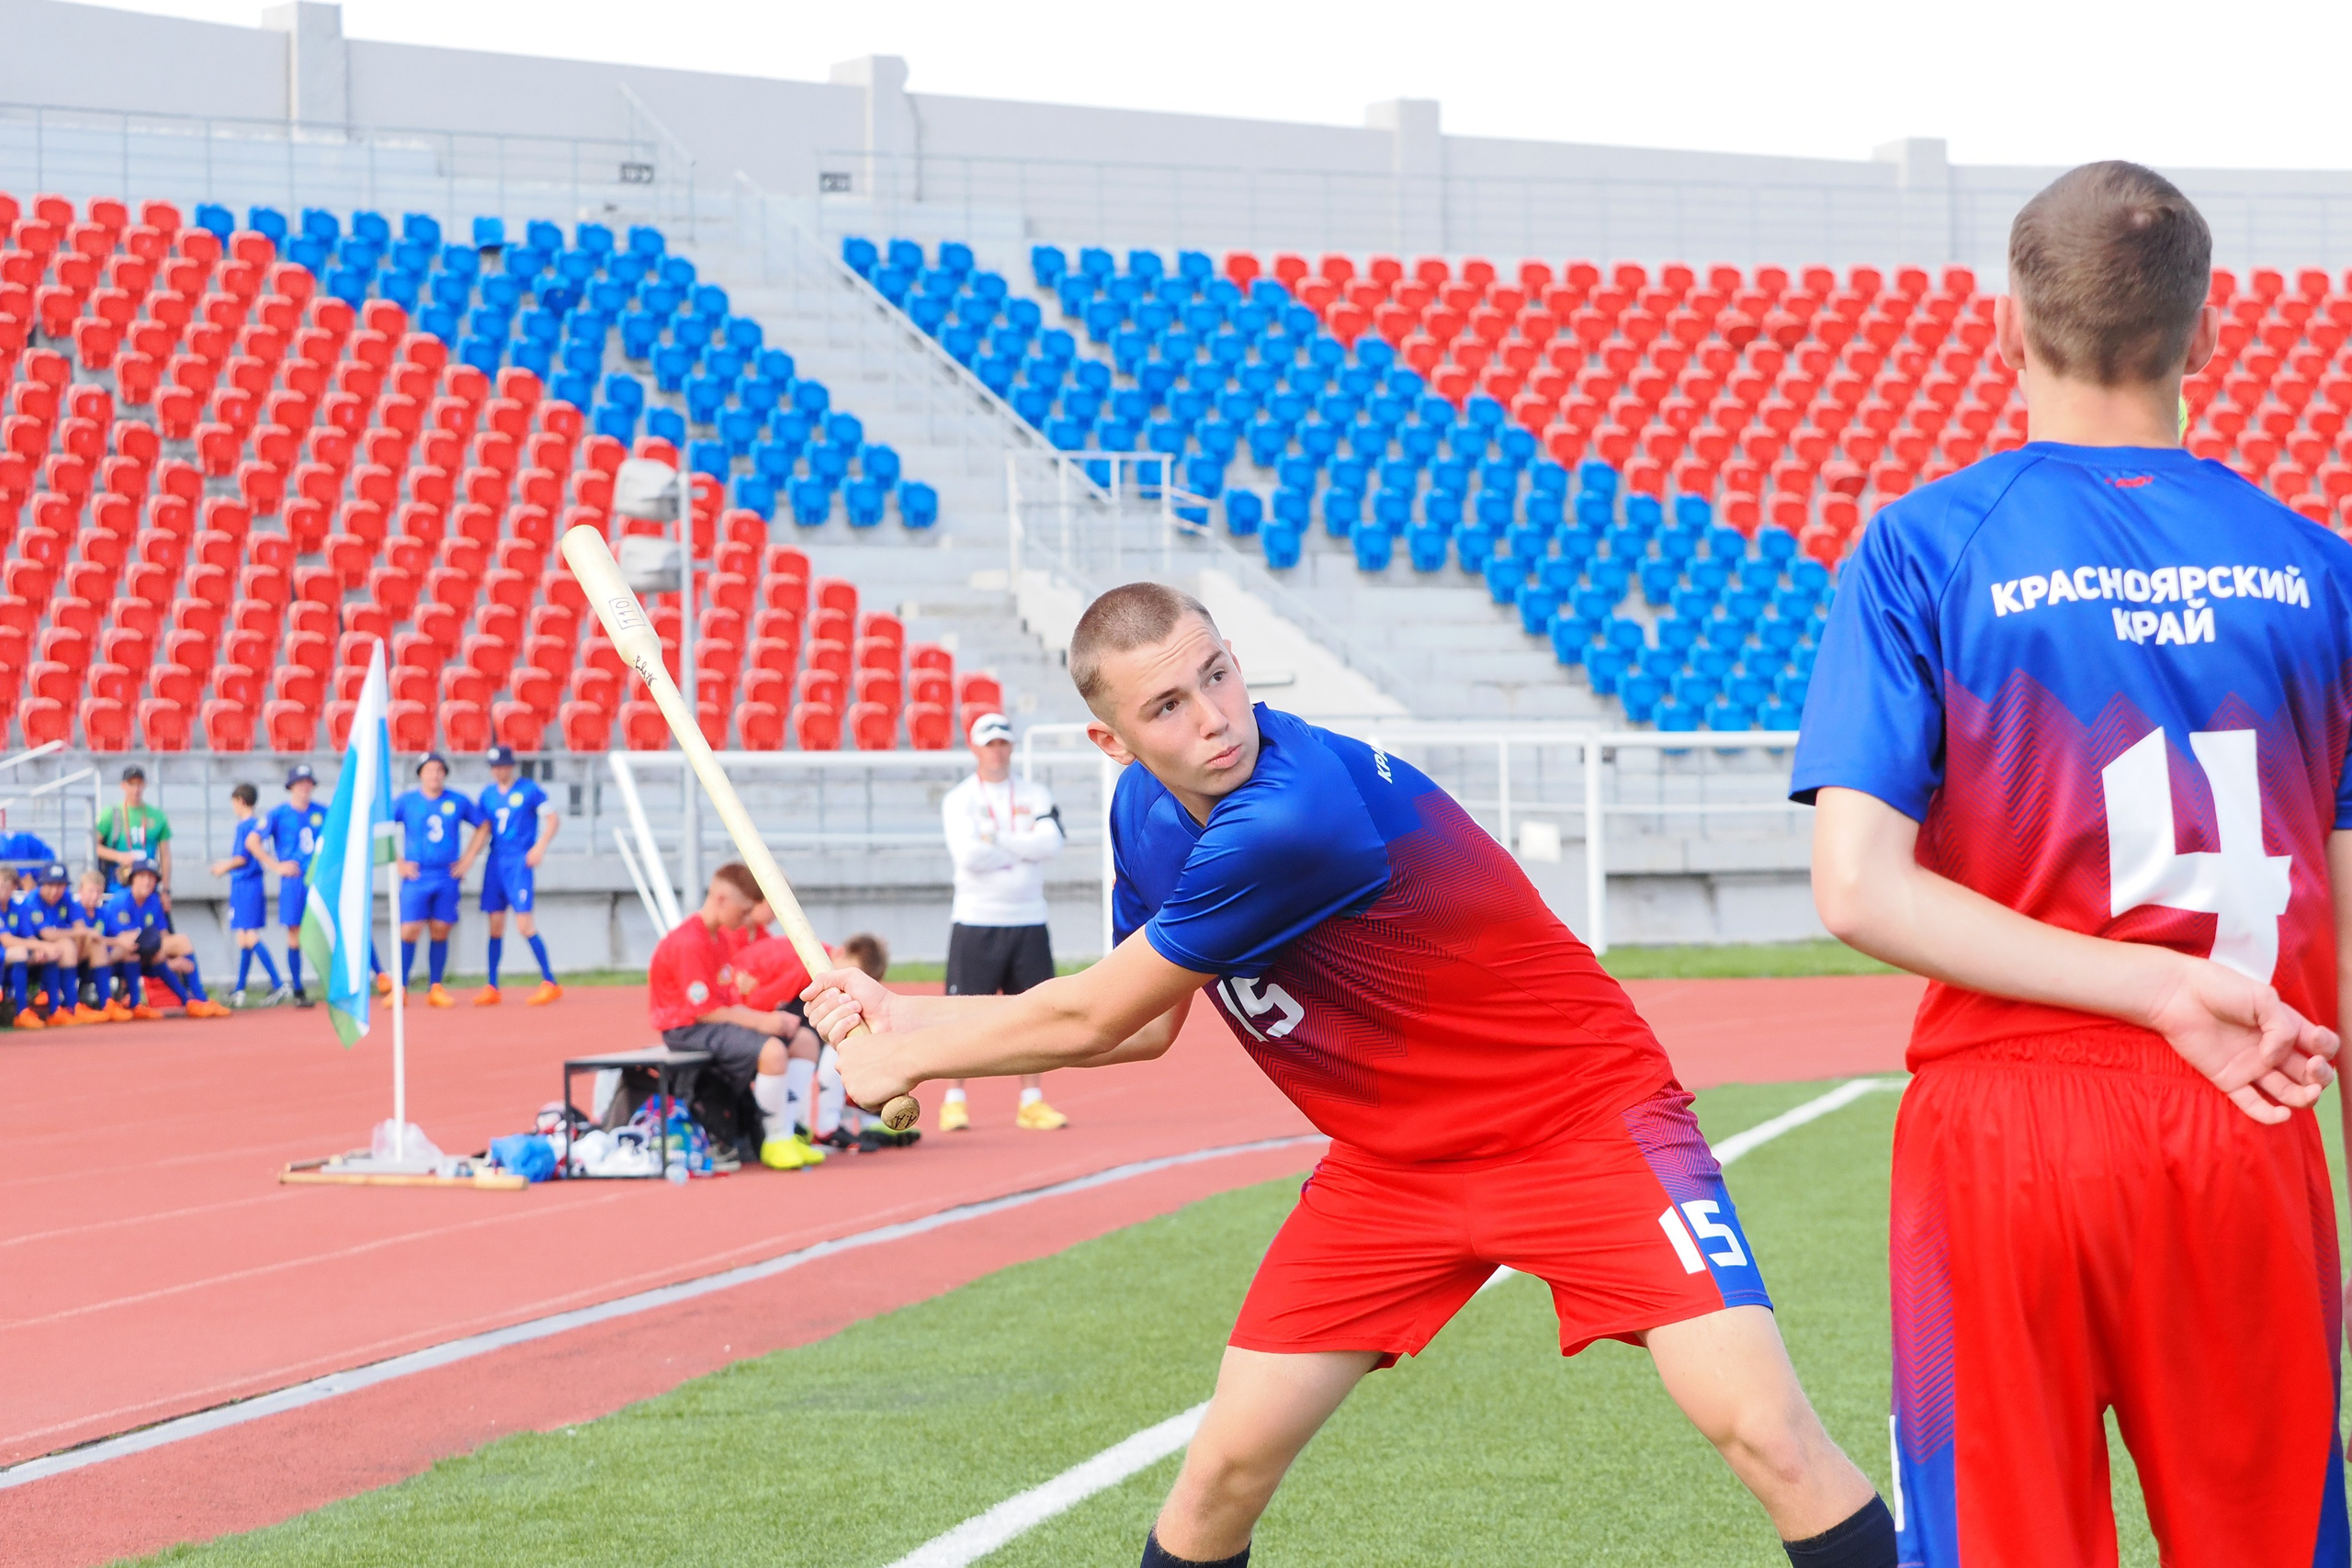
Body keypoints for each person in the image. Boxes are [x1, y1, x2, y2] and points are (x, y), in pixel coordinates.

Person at [803, 583, 1895, 1568]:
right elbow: (1140, 1031)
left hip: (1579, 1126)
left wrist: (902, 1041)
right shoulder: (1142, 814)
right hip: (1391, 1170)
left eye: (1216, 675)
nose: (1215, 717)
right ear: (1112, 740)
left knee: (1765, 1432)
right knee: (1221, 1475)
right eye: (1168, 708)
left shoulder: (1294, 811)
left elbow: (1091, 1019)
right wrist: (899, 1016)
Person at [1795, 162, 2347, 1568]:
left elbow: (1858, 883)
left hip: (2008, 1124)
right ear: (2208, 333)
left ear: (2007, 329)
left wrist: (2138, 988)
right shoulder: (2317, 566)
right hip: (2255, 1109)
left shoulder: (1926, 547)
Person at [641, 863, 825, 1171]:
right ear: (722, 900)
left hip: (714, 1020)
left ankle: (792, 1130)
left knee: (804, 1041)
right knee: (772, 1051)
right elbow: (705, 1011)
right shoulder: (689, 942)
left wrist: (769, 1018)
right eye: (742, 912)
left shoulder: (721, 939)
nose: (745, 921)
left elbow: (728, 1000)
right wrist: (762, 1023)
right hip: (686, 1029)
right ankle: (773, 1139)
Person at [936, 711, 1069, 1133]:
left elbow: (1053, 843)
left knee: (1033, 1014)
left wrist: (997, 840)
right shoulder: (959, 799)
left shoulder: (1035, 792)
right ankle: (954, 1098)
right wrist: (1023, 846)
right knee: (961, 1015)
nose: (997, 750)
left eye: (1003, 742)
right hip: (977, 920)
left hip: (1029, 919)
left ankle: (1031, 1100)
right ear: (975, 747)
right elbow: (969, 856)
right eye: (989, 743)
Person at [463, 744, 561, 1007]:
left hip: (518, 861)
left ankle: (550, 981)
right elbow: (483, 830)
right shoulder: (487, 795)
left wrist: (539, 847)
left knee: (524, 924)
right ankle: (492, 985)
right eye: (494, 767)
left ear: (511, 766)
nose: (498, 771)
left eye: (502, 766)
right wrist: (468, 859)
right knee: (495, 924)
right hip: (495, 862)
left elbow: (552, 819)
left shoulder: (529, 790)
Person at [390, 752, 483, 1007]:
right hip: (417, 874)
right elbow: (379, 826)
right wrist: (397, 861)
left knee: (441, 929)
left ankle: (436, 986)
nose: (434, 775)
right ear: (420, 774)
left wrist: (467, 859)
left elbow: (483, 825)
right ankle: (400, 988)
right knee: (409, 929)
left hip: (446, 874)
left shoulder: (457, 800)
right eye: (429, 770)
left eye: (439, 770)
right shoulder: (406, 801)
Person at [103, 857, 229, 1018]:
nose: (147, 882)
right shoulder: (120, 901)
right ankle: (135, 1003)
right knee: (134, 946)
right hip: (116, 957)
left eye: (151, 878)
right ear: (132, 879)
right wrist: (170, 963)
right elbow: (126, 940)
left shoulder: (154, 901)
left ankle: (199, 1000)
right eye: (142, 877)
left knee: (181, 941)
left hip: (145, 953)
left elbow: (162, 935)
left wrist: (171, 954)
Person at [210, 782, 288, 1007]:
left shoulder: (246, 826)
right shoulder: (258, 824)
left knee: (249, 936)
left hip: (246, 884)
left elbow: (241, 857)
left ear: (240, 801)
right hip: (249, 885)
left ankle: (278, 983)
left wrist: (223, 867)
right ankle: (240, 989)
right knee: (243, 938)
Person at [259, 763, 329, 1008]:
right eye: (300, 784)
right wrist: (275, 865)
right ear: (291, 787)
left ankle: (331, 985)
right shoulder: (279, 814)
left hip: (317, 879)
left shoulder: (323, 811)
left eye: (308, 784)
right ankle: (298, 988)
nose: (304, 788)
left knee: (324, 930)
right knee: (295, 933)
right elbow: (253, 841)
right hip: (294, 880)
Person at [6, 863, 87, 1029]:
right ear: (41, 884)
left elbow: (81, 927)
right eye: (50, 885)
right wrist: (41, 946)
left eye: (60, 886)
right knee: (58, 947)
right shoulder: (31, 902)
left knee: (63, 948)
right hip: (21, 954)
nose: (55, 891)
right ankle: (22, 1012)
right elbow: (45, 934)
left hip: (39, 951)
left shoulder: (65, 898)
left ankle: (65, 1009)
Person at [93, 763, 171, 893]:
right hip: (117, 884)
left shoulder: (157, 816)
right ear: (123, 786)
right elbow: (94, 847)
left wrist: (166, 889)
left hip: (147, 884)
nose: (136, 789)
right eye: (131, 784)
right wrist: (119, 856)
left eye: (139, 784)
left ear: (144, 785)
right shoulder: (111, 814)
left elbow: (165, 855)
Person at [72, 869, 132, 1021]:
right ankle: (106, 1003)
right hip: (75, 961)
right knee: (96, 944)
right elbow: (88, 937)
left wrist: (125, 940)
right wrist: (116, 941)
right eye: (91, 891)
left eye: (99, 892)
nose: (95, 896)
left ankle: (132, 1000)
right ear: (80, 891)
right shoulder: (74, 910)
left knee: (127, 949)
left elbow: (118, 934)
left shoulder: (103, 912)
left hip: (100, 961)